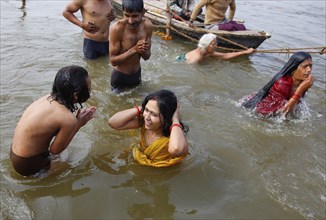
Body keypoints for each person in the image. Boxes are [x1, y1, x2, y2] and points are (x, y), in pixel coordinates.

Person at [10, 65, 97, 176]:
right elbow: (55, 151)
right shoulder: (67, 118)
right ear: (76, 95)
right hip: (27, 164)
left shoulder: (47, 98)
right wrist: (79, 123)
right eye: (89, 88)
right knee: (71, 169)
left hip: (15, 154)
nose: (90, 92)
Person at [108, 90, 189, 167]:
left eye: (154, 114)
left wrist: (175, 119)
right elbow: (113, 122)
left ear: (167, 118)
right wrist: (142, 108)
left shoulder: (175, 137)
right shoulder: (145, 123)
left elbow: (176, 150)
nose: (147, 117)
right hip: (140, 160)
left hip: (161, 172)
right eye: (146, 110)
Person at [242, 51, 314, 116]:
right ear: (293, 68)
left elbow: (296, 105)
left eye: (310, 66)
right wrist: (301, 89)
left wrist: (302, 88)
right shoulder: (282, 83)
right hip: (258, 112)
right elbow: (282, 112)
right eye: (305, 66)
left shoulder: (304, 83)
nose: (309, 70)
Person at [109, 0, 153, 92]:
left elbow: (147, 57)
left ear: (142, 12)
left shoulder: (147, 26)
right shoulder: (117, 28)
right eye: (127, 15)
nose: (131, 21)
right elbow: (113, 61)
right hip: (120, 77)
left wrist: (143, 50)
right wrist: (135, 49)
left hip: (137, 74)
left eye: (135, 16)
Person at [176, 33, 255, 64]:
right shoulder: (197, 57)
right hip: (181, 61)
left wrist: (244, 52)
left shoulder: (207, 52)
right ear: (206, 45)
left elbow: (225, 55)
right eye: (213, 44)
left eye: (215, 44)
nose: (216, 46)